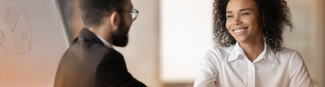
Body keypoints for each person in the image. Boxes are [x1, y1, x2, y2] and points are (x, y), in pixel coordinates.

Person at [194, 0, 313, 87]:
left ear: (263, 16)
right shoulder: (215, 58)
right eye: (230, 16)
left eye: (244, 13)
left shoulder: (290, 60)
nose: (235, 21)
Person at [54, 0, 146, 87]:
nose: (132, 19)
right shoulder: (105, 60)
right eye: (130, 12)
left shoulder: (71, 51)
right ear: (115, 19)